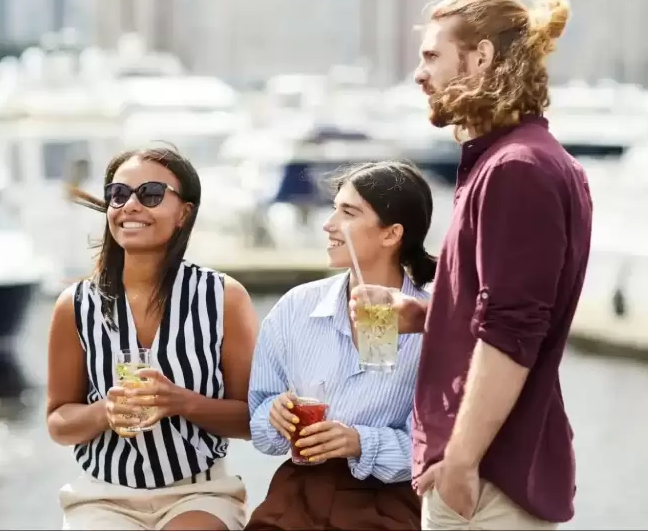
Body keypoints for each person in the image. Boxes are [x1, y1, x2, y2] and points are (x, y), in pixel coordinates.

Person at [351, 0, 593, 530]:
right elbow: (511, 307)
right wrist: (429, 316)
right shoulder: (527, 162)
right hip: (487, 472)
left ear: (480, 56)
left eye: (432, 55)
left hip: (485, 478)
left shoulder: (516, 170)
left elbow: (514, 329)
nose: (419, 73)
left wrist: (459, 461)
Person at [46, 144, 258, 531]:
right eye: (118, 194)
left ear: (184, 213)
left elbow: (251, 418)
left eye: (151, 194)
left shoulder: (224, 297)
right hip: (103, 496)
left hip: (199, 493)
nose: (130, 205)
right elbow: (59, 421)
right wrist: (103, 413)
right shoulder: (74, 304)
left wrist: (181, 402)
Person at [245, 161, 437, 531]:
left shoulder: (433, 323)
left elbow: (429, 452)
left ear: (391, 233)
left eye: (348, 212)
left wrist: (357, 442)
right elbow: (261, 422)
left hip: (389, 503)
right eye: (334, 208)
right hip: (298, 492)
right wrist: (275, 414)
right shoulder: (295, 308)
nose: (328, 223)